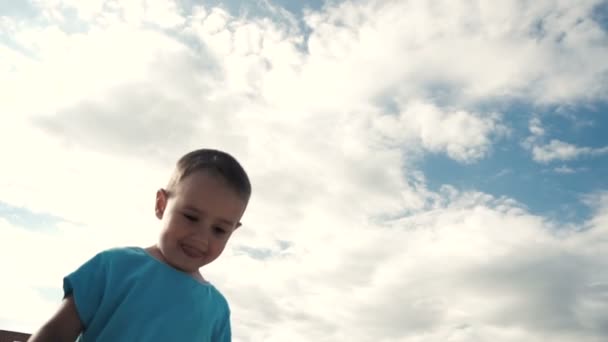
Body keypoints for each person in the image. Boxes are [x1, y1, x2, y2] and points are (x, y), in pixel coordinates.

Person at [28, 148, 251, 342]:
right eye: (191, 217)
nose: (201, 238)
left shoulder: (217, 310)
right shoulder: (113, 267)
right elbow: (55, 333)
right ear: (161, 205)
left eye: (219, 230)